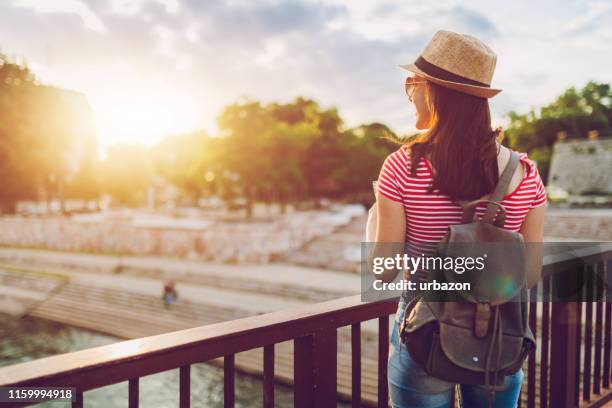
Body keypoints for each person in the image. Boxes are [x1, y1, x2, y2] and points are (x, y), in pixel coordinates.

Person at [373, 30, 547, 407]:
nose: (410, 94)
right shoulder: (527, 173)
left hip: (425, 329)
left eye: (412, 84)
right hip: (501, 334)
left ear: (433, 90)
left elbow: (382, 269)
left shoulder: (402, 167)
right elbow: (529, 276)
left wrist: (378, 207)